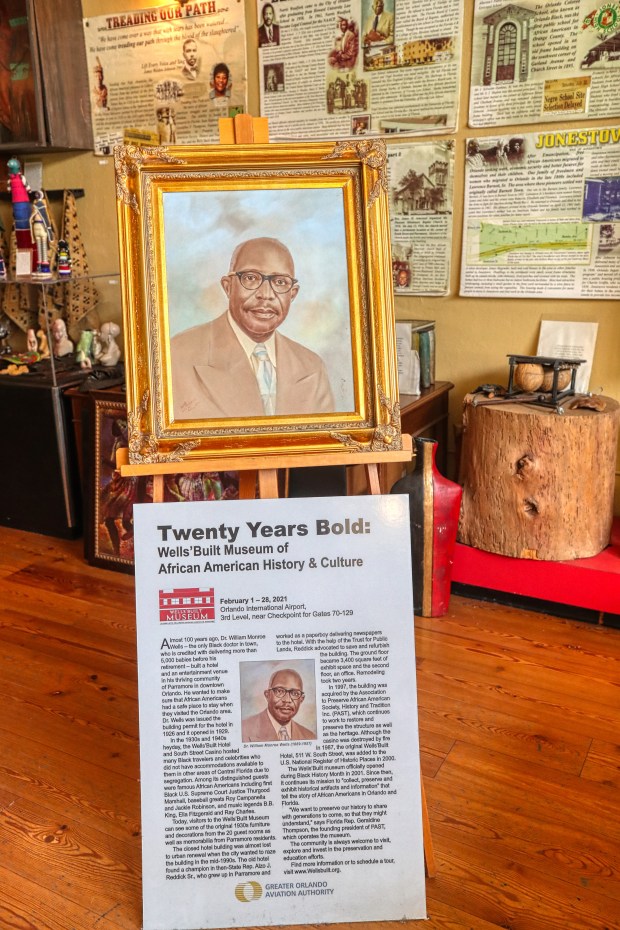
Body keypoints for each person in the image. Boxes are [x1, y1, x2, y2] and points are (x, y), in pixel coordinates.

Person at [170, 237, 335, 420]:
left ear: (292, 294)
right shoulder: (177, 355)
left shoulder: (312, 366)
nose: (265, 295)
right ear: (228, 287)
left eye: (280, 282)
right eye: (251, 278)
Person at [242, 668, 316, 742]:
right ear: (267, 695)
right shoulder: (244, 729)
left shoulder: (309, 736)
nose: (287, 700)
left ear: (301, 699)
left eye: (295, 693)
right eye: (279, 691)